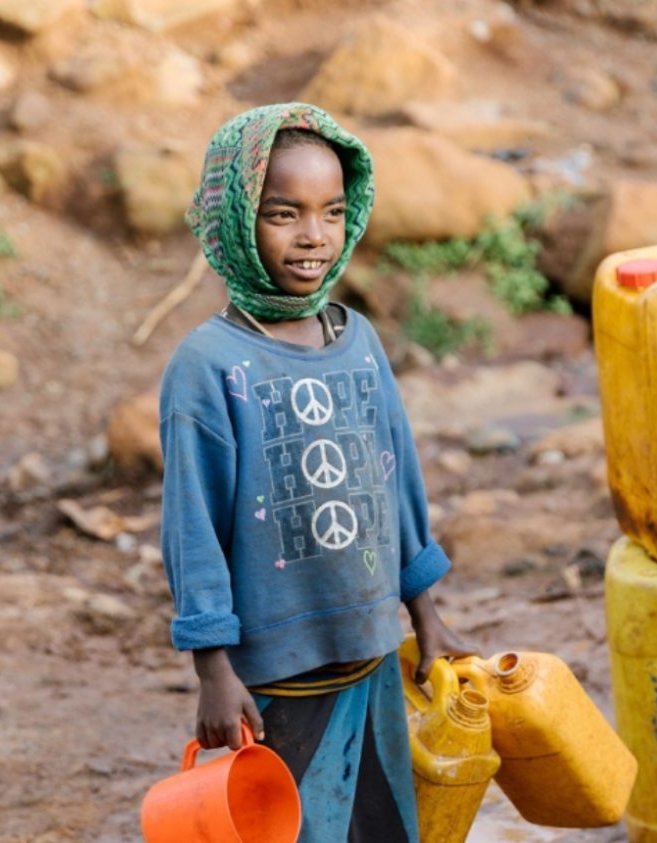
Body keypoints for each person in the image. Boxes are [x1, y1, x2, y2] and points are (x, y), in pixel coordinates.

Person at [159, 102, 474, 842]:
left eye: (331, 211)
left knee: (383, 819)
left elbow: (394, 479)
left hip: (370, 648)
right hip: (275, 675)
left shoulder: (357, 340)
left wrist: (426, 617)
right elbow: (192, 524)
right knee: (295, 827)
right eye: (283, 213)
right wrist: (213, 668)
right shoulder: (207, 366)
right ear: (237, 221)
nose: (313, 235)